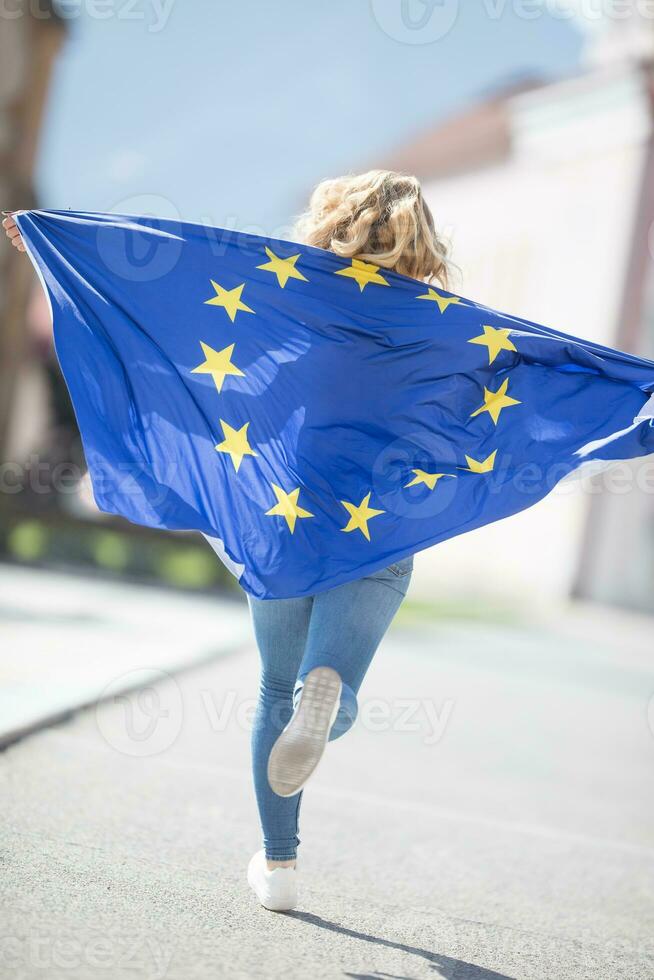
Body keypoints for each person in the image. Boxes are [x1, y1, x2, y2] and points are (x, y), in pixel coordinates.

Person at [3, 171, 451, 912]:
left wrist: (60, 240)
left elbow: (176, 269)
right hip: (380, 528)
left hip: (286, 520)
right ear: (421, 238)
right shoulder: (443, 324)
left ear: (331, 222)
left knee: (277, 689)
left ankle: (279, 868)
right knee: (324, 685)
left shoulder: (289, 298)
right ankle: (330, 698)